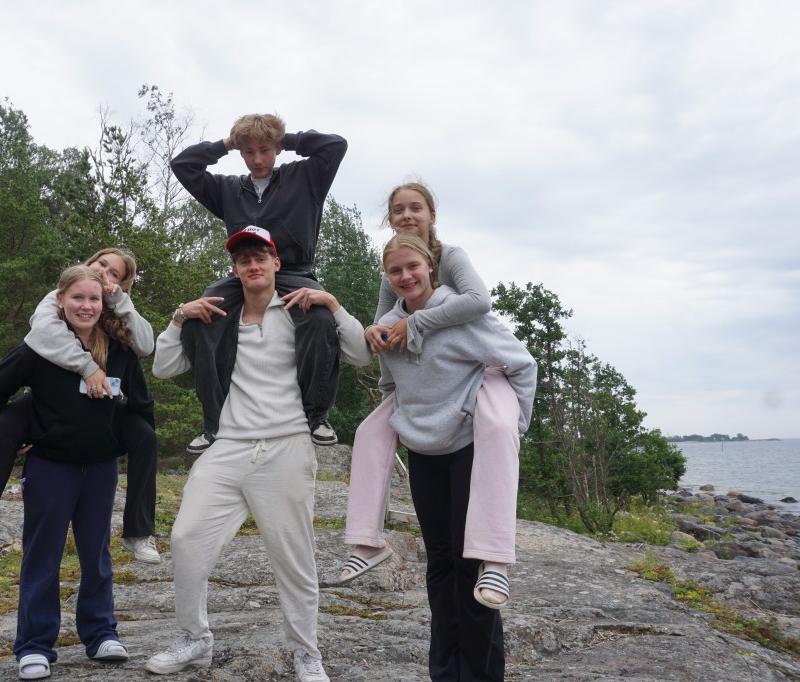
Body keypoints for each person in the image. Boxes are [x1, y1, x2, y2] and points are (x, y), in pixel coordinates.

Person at [145, 226, 371, 682]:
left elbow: (361, 354)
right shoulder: (216, 318)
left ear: (276, 264)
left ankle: (306, 653)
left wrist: (333, 304)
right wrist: (179, 317)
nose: (253, 265)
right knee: (185, 538)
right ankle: (194, 638)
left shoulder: (303, 312)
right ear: (234, 269)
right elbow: (164, 366)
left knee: (294, 558)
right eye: (244, 259)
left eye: (260, 257)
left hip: (286, 444)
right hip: (228, 446)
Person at [339, 182, 524, 610]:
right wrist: (375, 333)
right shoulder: (392, 271)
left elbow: (478, 302)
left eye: (415, 208)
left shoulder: (450, 257)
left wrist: (419, 323)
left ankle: (496, 558)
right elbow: (387, 326)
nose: (407, 215)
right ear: (389, 219)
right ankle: (366, 540)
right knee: (370, 433)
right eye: (398, 210)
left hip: (474, 378)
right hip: (423, 396)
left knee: (499, 425)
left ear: (431, 215)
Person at [374, 233, 536, 681]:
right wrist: (402, 422)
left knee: (471, 563)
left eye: (413, 266)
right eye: (395, 270)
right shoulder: (387, 327)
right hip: (424, 455)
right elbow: (389, 385)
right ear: (387, 277)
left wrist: (510, 427)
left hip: (468, 451)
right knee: (440, 562)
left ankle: (481, 674)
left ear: (430, 266)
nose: (406, 276)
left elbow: (522, 364)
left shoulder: (462, 317)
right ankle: (445, 672)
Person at [0, 265, 148, 679]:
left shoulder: (119, 348)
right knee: (43, 554)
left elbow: (140, 403)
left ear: (104, 303)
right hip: (50, 466)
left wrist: (125, 439)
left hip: (100, 467)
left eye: (94, 299)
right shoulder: (41, 346)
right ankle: (34, 646)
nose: (86, 306)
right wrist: (7, 437)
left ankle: (101, 634)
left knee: (96, 553)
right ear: (60, 300)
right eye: (77, 298)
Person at [0, 248, 161, 565]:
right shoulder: (50, 315)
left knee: (145, 434)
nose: (104, 273)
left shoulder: (118, 339)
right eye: (101, 264)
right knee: (7, 420)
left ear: (113, 292)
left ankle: (139, 532)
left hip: (99, 426)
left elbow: (143, 373)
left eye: (114, 274)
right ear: (64, 297)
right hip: (46, 412)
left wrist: (138, 437)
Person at [170, 114, 347, 452]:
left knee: (320, 319)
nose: (258, 159)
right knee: (205, 313)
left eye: (265, 150)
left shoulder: (305, 176)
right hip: (246, 270)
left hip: (293, 271)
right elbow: (183, 165)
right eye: (248, 151)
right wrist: (225, 144)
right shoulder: (227, 189)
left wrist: (287, 139)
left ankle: (317, 416)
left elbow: (335, 146)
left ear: (277, 149)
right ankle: (212, 424)